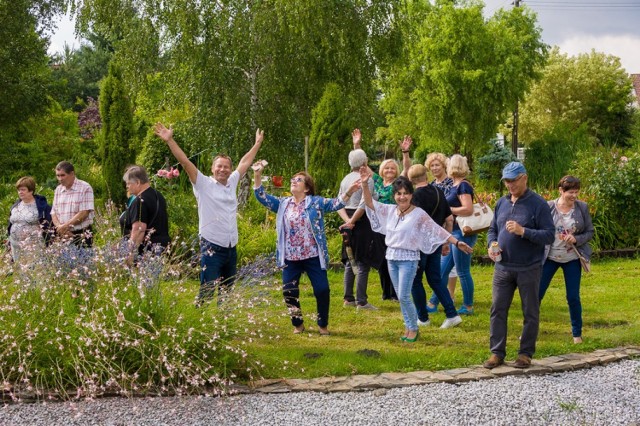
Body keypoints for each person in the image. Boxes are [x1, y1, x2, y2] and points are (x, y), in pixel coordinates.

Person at [154, 123, 264, 303]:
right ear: (212, 169)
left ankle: (224, 327)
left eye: (226, 167)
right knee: (207, 290)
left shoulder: (232, 181)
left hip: (231, 247)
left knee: (227, 291)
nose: (223, 169)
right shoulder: (203, 183)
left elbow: (244, 162)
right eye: (219, 166)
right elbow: (185, 162)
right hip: (211, 246)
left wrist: (257, 143)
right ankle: (199, 324)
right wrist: (170, 140)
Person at [360, 169, 472, 343]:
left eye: (405, 193)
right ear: (394, 196)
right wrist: (364, 184)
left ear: (411, 195)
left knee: (404, 295)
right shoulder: (390, 211)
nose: (402, 197)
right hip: (392, 258)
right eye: (398, 194)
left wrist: (455, 242)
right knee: (401, 295)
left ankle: (413, 328)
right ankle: (408, 326)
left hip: (409, 259)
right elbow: (370, 203)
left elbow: (437, 230)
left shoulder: (418, 214)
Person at [252, 164, 360, 335]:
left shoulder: (315, 203)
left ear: (307, 187)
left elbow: (336, 203)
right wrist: (257, 175)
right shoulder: (283, 204)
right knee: (289, 291)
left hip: (313, 256)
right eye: (293, 179)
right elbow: (261, 196)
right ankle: (298, 324)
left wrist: (350, 190)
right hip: (290, 257)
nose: (294, 181)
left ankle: (322, 324)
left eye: (299, 180)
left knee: (322, 289)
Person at [484, 162, 555, 369]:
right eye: (506, 181)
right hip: (503, 267)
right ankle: (497, 353)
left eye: (513, 180)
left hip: (529, 268)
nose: (509, 185)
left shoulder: (538, 204)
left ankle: (525, 354)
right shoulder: (501, 203)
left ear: (524, 177)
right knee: (497, 309)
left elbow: (549, 235)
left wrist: (524, 231)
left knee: (530, 311)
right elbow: (492, 229)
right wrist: (491, 245)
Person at [352, 129, 411, 301]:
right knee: (382, 259)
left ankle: (395, 292)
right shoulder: (376, 180)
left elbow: (407, 169)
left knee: (394, 257)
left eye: (393, 168)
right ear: (382, 170)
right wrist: (357, 145)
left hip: (395, 224)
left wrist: (405, 152)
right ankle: (387, 293)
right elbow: (362, 166)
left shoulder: (399, 183)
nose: (390, 170)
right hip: (378, 225)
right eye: (387, 168)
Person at [539, 175, 594, 344]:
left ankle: (577, 333)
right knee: (536, 294)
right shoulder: (548, 207)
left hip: (572, 258)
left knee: (573, 297)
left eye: (577, 192)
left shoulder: (582, 208)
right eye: (571, 192)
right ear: (561, 191)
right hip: (550, 256)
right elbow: (539, 229)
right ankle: (529, 331)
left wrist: (576, 239)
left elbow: (590, 232)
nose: (574, 196)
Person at [406, 165, 462, 329]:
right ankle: (452, 314)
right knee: (435, 279)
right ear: (426, 175)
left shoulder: (414, 197)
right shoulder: (438, 191)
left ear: (411, 180)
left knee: (415, 280)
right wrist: (445, 241)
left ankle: (423, 318)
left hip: (419, 244)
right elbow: (449, 219)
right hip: (436, 242)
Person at [427, 154, 478, 315]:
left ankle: (468, 306)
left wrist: (447, 210)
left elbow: (468, 209)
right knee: (442, 271)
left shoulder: (462, 186)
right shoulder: (456, 185)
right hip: (454, 232)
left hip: (462, 233)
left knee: (463, 271)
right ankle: (433, 302)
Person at [338, 148, 383, 311]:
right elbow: (364, 204)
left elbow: (339, 203)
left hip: (348, 219)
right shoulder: (367, 179)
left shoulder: (345, 179)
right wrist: (352, 221)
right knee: (362, 261)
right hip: (361, 220)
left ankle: (348, 298)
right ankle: (362, 301)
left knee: (351, 260)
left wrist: (347, 221)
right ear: (364, 161)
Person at [121, 166, 171, 259]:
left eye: (128, 183)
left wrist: (129, 254)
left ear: (138, 182)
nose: (127, 186)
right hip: (163, 248)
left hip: (147, 253)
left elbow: (139, 230)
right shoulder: (158, 195)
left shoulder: (140, 201)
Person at [7, 176, 52, 264]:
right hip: (15, 246)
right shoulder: (16, 205)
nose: (20, 192)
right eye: (19, 190)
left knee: (35, 272)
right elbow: (11, 224)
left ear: (31, 190)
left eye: (23, 189)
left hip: (34, 246)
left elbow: (49, 224)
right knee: (19, 272)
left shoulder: (41, 206)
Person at [51, 161, 95, 247]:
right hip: (63, 234)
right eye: (58, 175)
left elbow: (84, 212)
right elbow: (53, 212)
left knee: (83, 260)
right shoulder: (58, 190)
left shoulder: (85, 187)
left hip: (81, 234)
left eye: (63, 175)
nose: (60, 179)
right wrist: (60, 228)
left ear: (72, 174)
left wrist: (65, 227)